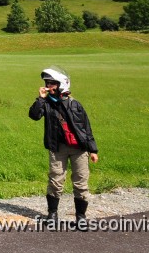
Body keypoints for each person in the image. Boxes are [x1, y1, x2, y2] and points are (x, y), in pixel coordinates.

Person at [28, 67, 99, 229]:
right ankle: (52, 214)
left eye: (52, 83)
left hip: (79, 149)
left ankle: (81, 217)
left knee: (81, 182)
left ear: (62, 84)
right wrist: (40, 99)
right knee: (55, 180)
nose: (48, 86)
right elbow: (34, 115)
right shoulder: (46, 104)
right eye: (47, 83)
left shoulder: (75, 104)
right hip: (57, 148)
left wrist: (93, 150)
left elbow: (86, 128)